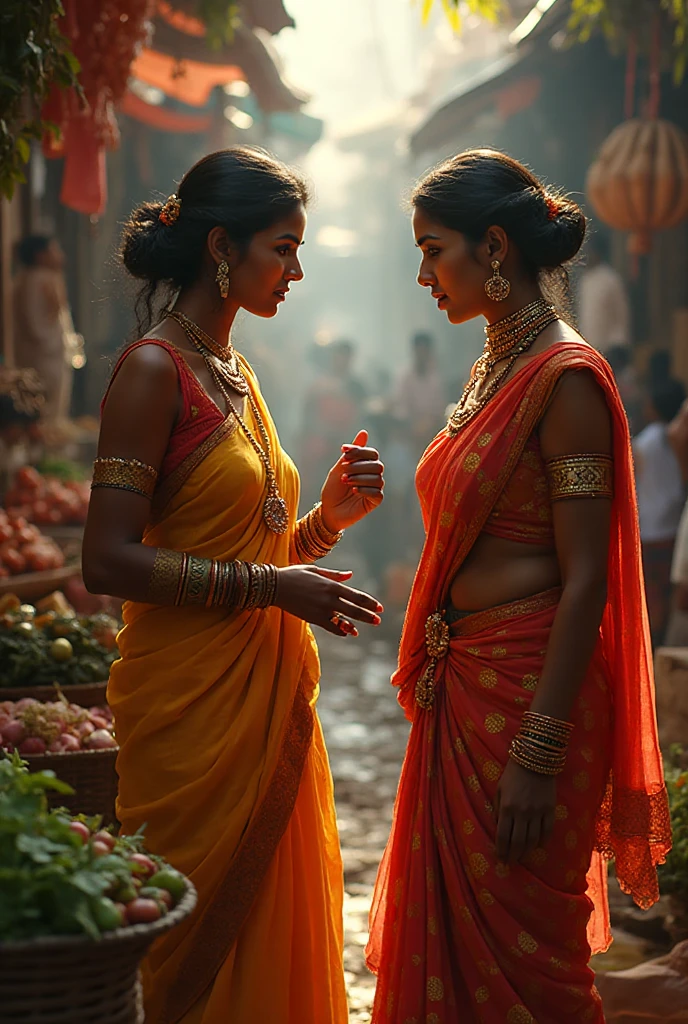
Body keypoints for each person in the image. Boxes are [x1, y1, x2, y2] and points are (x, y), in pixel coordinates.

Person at [82, 147, 385, 1024]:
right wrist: (273, 588)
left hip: (262, 708)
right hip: (189, 718)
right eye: (283, 248)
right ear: (222, 246)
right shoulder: (152, 373)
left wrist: (326, 522)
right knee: (186, 947)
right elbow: (105, 560)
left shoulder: (237, 375)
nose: (296, 269)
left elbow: (262, 549)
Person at [365, 150, 670, 1023]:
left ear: (493, 245)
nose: (423, 275)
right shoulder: (497, 364)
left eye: (434, 251)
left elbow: (587, 585)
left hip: (533, 695)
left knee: (530, 968)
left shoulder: (565, 380)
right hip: (467, 690)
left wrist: (539, 749)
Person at [634, 377, 687, 647]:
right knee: (669, 591)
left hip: (650, 529)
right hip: (674, 526)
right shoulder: (679, 436)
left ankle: (653, 643)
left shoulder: (644, 443)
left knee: (652, 594)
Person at [12, 234, 84, 425]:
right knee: (44, 411)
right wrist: (51, 346)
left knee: (53, 411)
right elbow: (34, 322)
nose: (60, 255)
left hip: (53, 354)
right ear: (40, 255)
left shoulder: (47, 278)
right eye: (54, 250)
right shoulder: (36, 279)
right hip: (43, 357)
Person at [392, 331, 447, 456]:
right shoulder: (404, 376)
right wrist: (413, 424)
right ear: (413, 351)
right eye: (419, 350)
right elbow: (401, 406)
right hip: (409, 429)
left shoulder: (436, 377)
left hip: (432, 429)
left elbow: (439, 406)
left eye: (425, 351)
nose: (421, 354)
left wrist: (429, 422)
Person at [578, 233, 631, 354]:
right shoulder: (585, 280)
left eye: (589, 251)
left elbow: (621, 317)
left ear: (598, 252)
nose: (585, 255)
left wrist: (618, 347)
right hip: (588, 349)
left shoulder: (611, 280)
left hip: (610, 351)